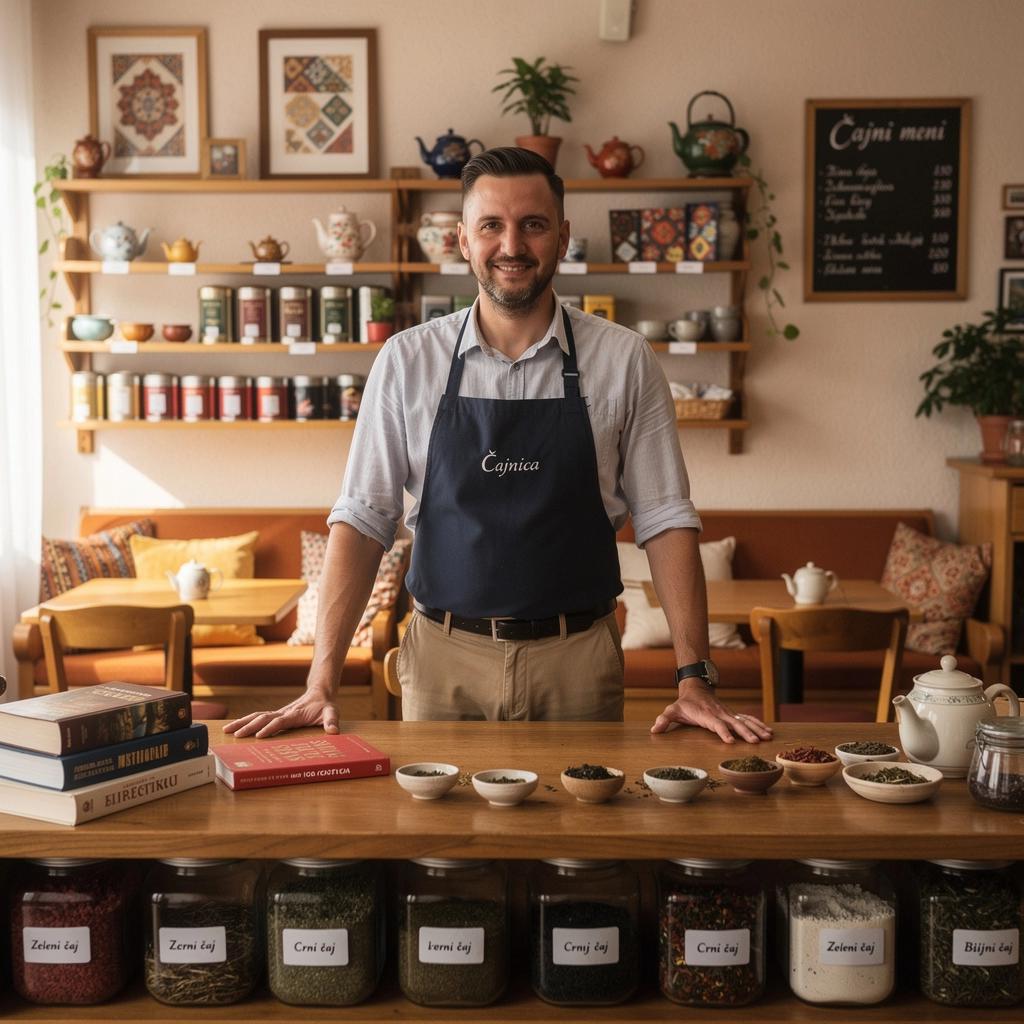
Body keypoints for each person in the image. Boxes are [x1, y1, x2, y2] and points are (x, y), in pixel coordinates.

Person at [226, 147, 771, 746]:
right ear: (463, 239)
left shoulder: (623, 360)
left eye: (533, 225)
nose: (512, 245)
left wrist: (695, 679)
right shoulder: (408, 361)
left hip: (579, 663)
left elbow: (665, 519)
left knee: (580, 836)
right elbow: (362, 520)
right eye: (492, 225)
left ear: (562, 238)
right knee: (440, 839)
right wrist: (321, 680)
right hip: (441, 663)